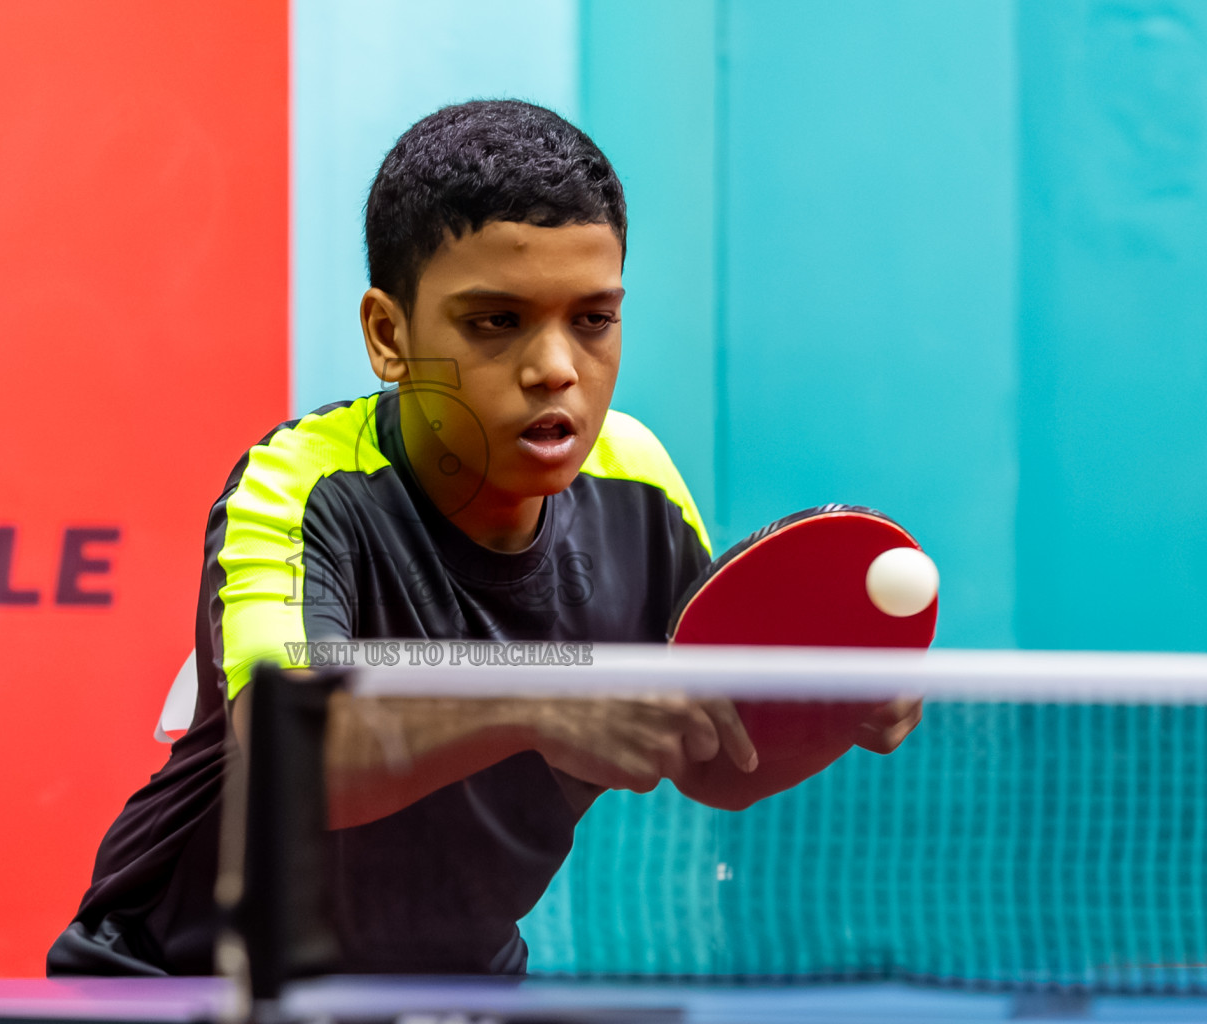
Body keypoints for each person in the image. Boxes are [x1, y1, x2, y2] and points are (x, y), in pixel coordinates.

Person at [47, 99, 920, 978]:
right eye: (496, 322)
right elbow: (291, 751)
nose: (556, 368)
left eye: (593, 319)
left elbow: (712, 757)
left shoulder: (637, 484)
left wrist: (827, 713)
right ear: (389, 335)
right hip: (189, 981)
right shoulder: (305, 486)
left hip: (455, 983)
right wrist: (538, 702)